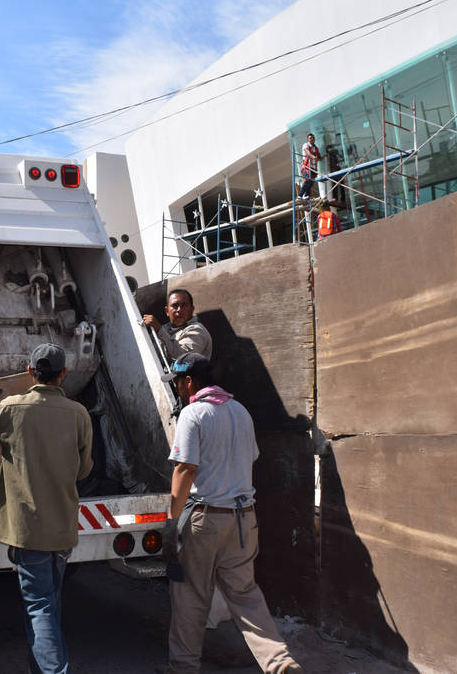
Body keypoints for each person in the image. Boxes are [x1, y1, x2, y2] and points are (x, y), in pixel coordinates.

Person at [162, 352, 302, 674]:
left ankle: (183, 668)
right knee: (245, 595)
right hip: (243, 520)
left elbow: (185, 469)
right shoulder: (241, 411)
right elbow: (249, 458)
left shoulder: (192, 414)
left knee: (190, 595)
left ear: (189, 382)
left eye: (179, 383)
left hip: (205, 520)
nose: (178, 389)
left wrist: (172, 520)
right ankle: (280, 662)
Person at [0, 343, 93, 674]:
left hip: (28, 530)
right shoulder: (79, 414)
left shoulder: (12, 408)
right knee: (49, 602)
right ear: (63, 374)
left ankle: (54, 671)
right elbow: (84, 470)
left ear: (29, 372)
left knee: (40, 606)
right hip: (63, 527)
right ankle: (40, 667)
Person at [142, 288, 213, 362]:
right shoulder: (165, 328)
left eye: (184, 305)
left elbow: (183, 358)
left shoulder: (197, 330)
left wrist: (159, 330)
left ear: (192, 310)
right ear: (167, 311)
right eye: (175, 306)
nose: (179, 310)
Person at [298, 133, 322, 199]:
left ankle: (307, 195)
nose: (312, 139)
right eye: (310, 138)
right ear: (308, 139)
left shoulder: (316, 148)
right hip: (306, 167)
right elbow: (308, 153)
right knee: (307, 180)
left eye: (313, 138)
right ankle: (300, 195)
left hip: (314, 167)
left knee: (311, 182)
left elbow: (319, 157)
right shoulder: (306, 145)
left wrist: (324, 156)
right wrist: (314, 157)